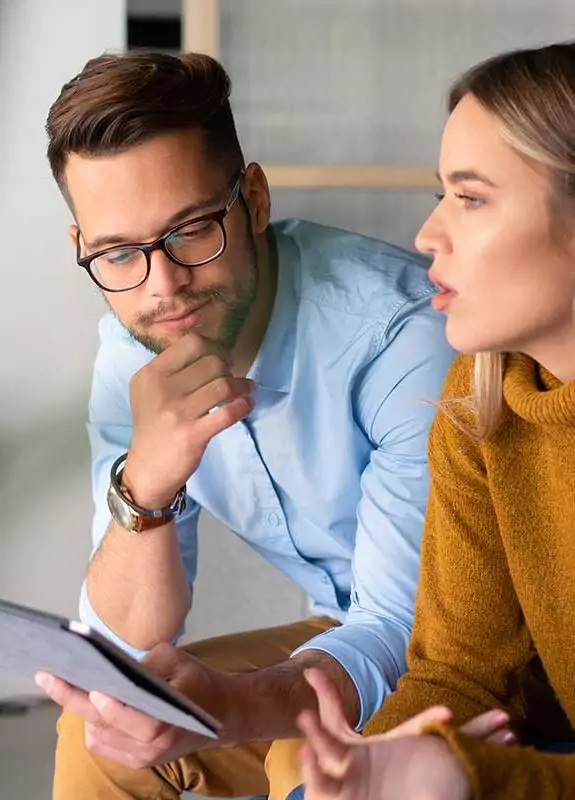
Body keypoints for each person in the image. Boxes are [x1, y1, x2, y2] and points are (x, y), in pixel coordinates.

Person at [34, 50, 460, 800]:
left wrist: (233, 707)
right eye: (119, 253)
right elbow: (122, 645)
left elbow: (407, 626)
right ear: (84, 250)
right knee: (101, 729)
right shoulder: (135, 340)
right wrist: (148, 484)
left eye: (192, 231)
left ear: (254, 199)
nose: (162, 286)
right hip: (346, 631)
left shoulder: (401, 336)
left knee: (299, 755)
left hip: (467, 647)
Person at [295, 40, 575, 800]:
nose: (427, 234)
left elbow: (479, 761)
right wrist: (370, 772)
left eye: (471, 197)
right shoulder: (480, 401)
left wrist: (471, 774)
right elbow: (456, 677)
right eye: (440, 192)